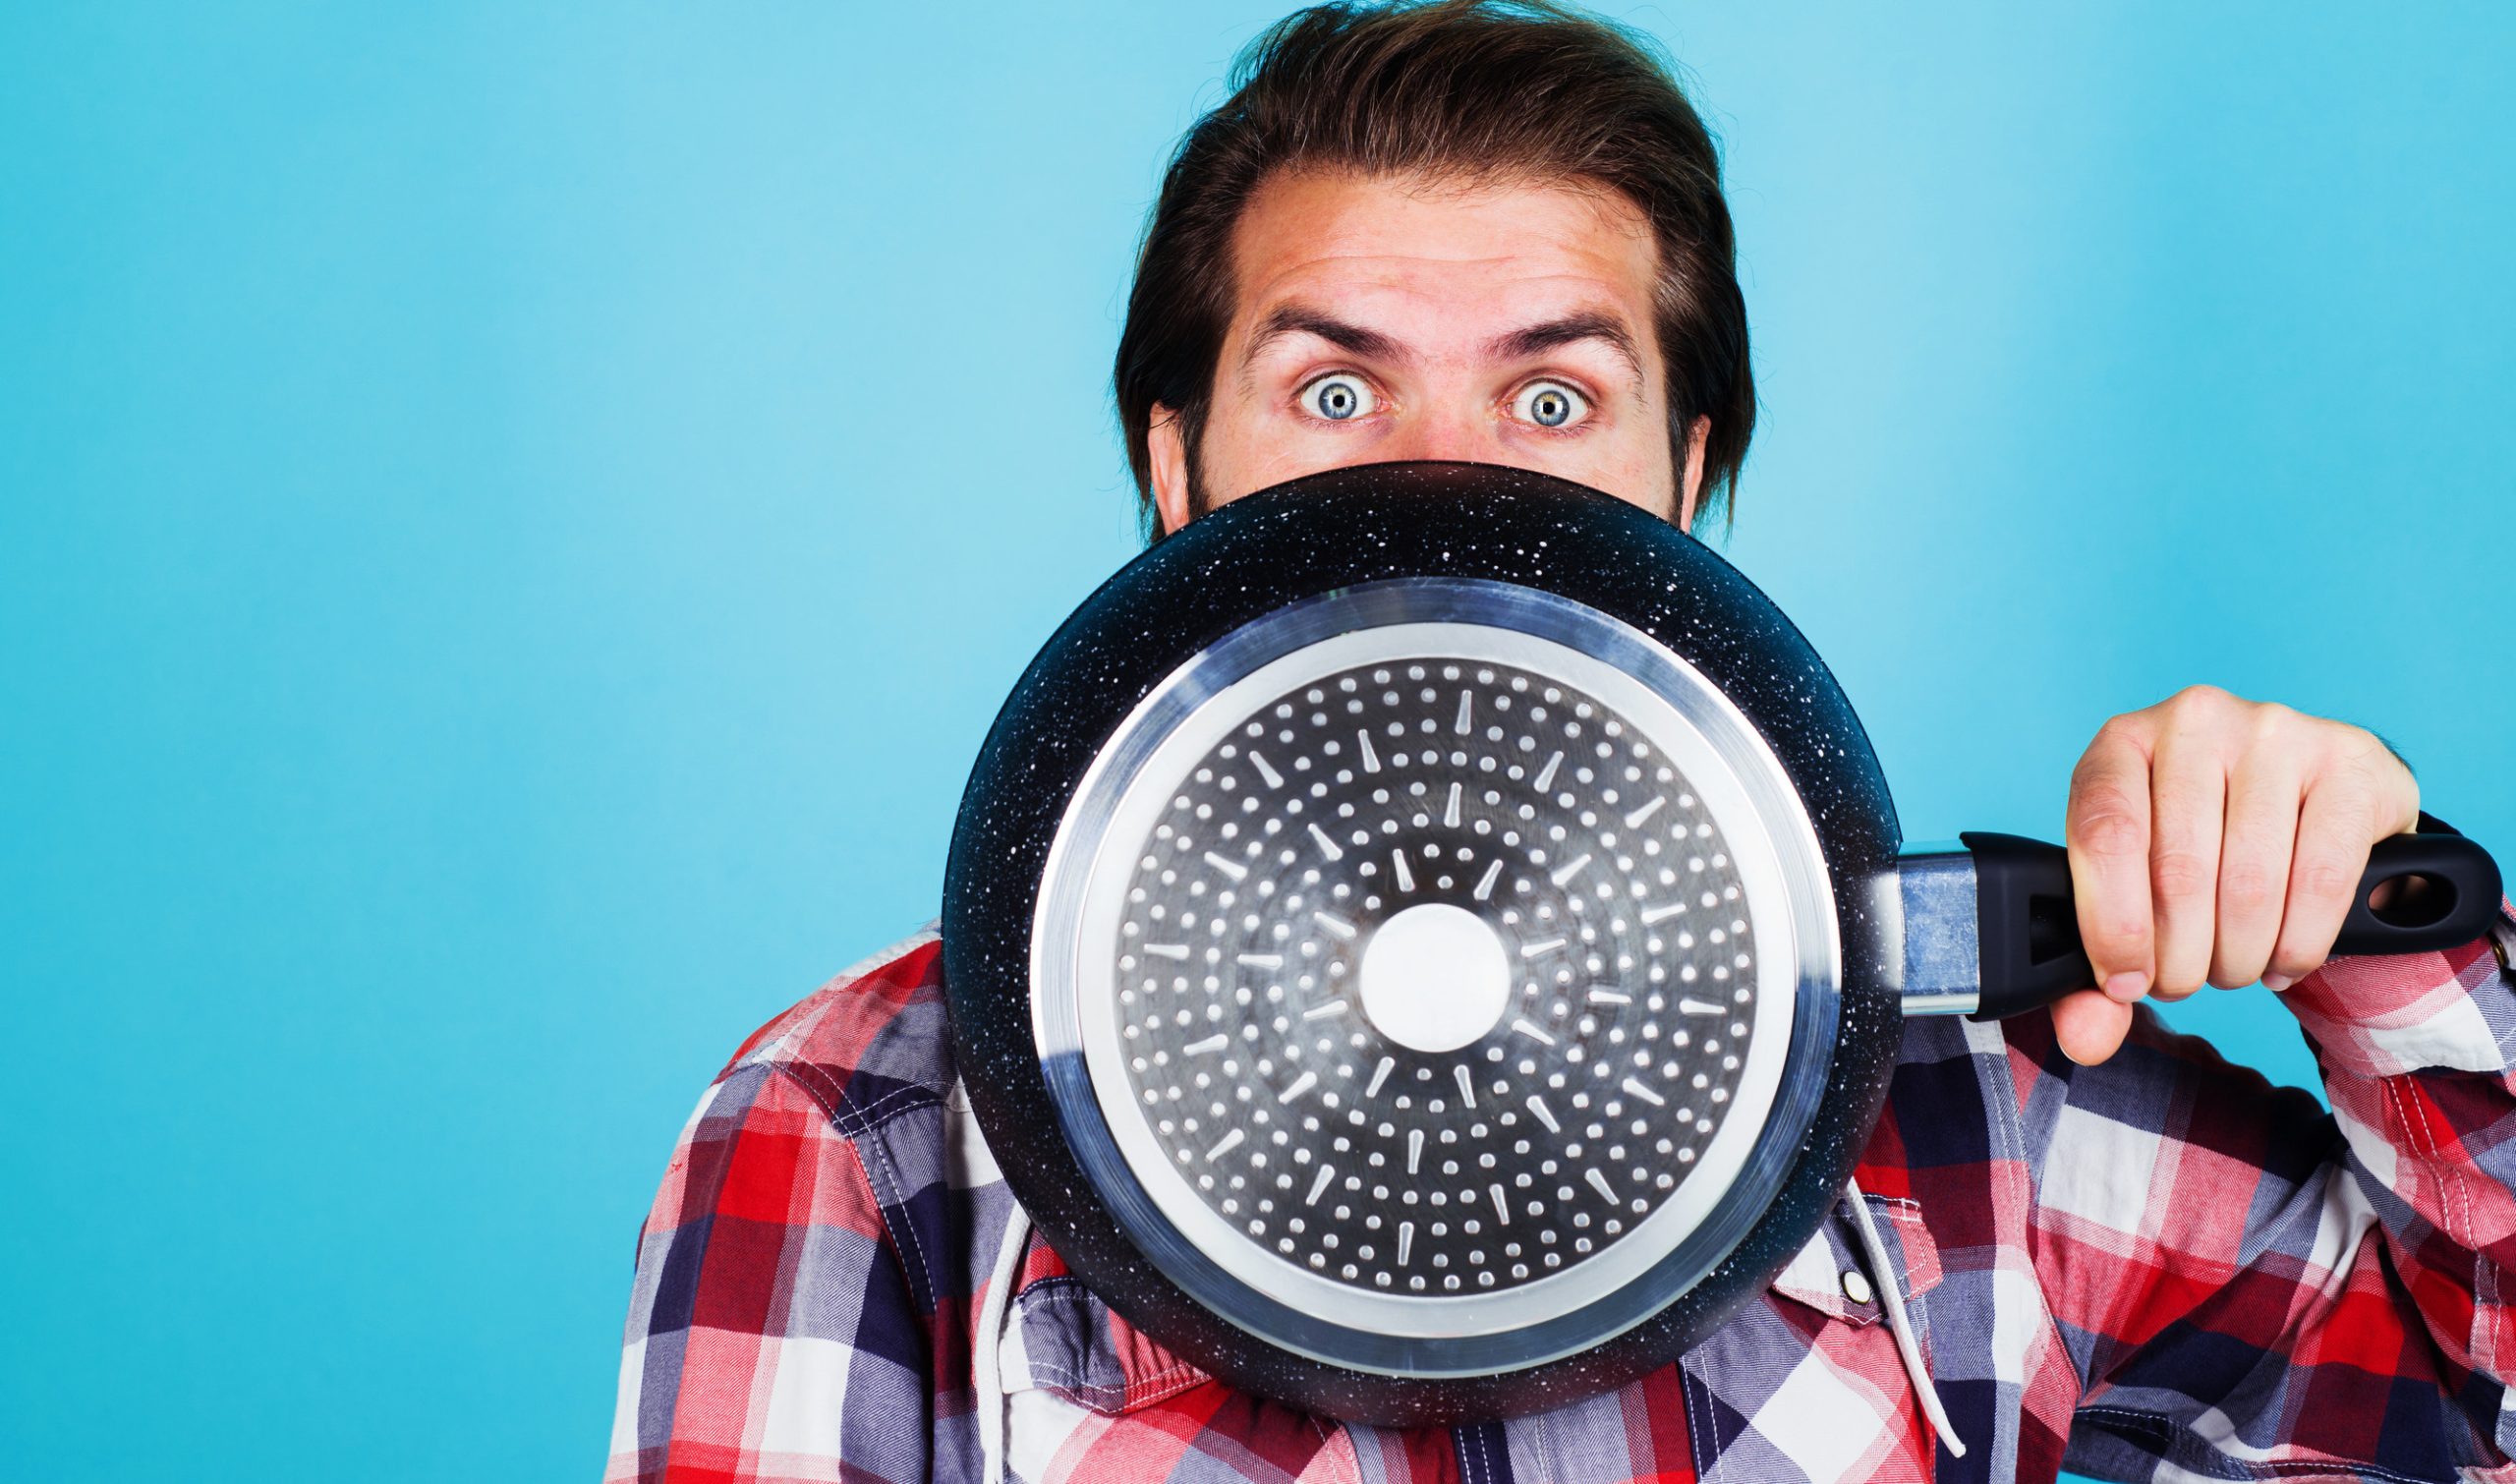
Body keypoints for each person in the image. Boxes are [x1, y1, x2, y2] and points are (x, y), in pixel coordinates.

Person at [604, 5, 2516, 1480]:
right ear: (1173, 465)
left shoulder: (1978, 1111)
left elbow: (2468, 1401)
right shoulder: (859, 1126)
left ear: (1683, 482)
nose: (1439, 477)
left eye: (1549, 390)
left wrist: (2362, 932)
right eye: (1333, 382)